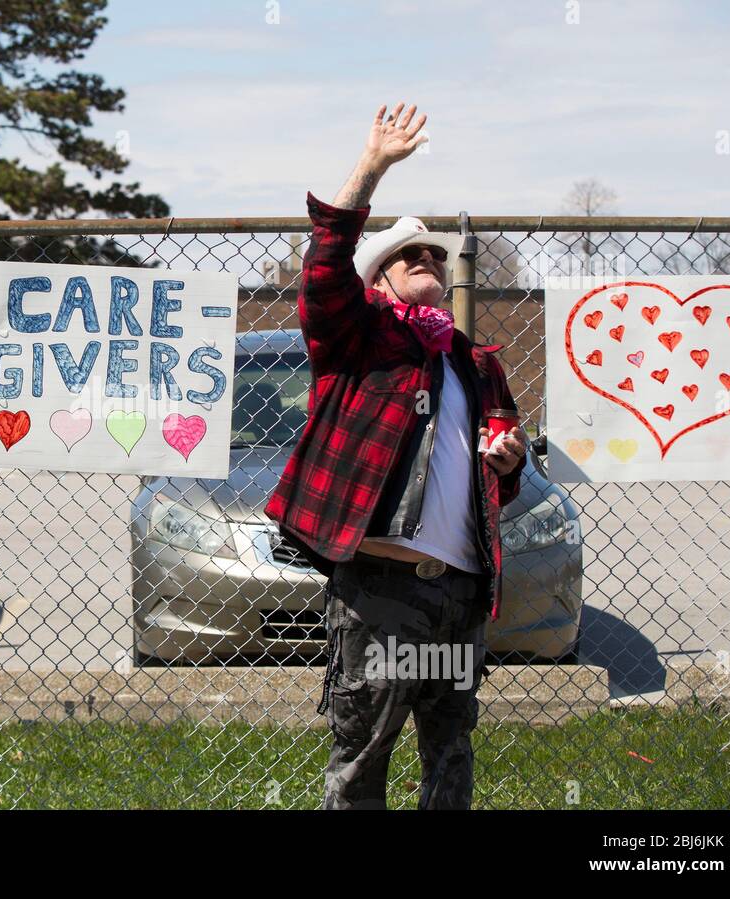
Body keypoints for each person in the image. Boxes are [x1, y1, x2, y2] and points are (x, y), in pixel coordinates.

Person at [264, 104, 528, 809]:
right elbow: (322, 270)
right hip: (383, 590)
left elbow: (500, 472)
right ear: (377, 280)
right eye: (410, 254)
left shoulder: (475, 363)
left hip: (460, 594)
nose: (429, 259)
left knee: (451, 755)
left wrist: (507, 462)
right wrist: (371, 165)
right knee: (363, 758)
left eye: (438, 254)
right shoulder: (359, 338)